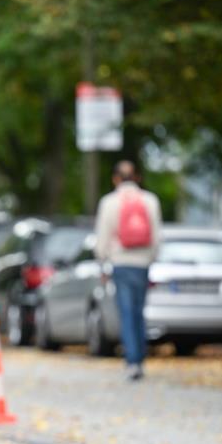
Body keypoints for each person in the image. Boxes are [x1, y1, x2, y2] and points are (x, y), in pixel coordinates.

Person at [93, 160, 163, 381]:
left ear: (115, 178)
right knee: (139, 311)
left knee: (126, 312)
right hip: (142, 264)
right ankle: (140, 358)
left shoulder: (109, 202)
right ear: (137, 178)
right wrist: (151, 258)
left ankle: (132, 361)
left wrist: (102, 260)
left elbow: (102, 237)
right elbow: (157, 236)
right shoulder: (150, 200)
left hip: (120, 263)